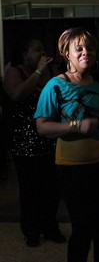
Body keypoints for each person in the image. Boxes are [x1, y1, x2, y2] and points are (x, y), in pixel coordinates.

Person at [34, 27, 99, 262]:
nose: (86, 52)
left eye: (90, 48)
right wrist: (76, 126)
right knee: (83, 229)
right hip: (73, 169)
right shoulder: (55, 85)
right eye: (79, 48)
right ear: (67, 53)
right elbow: (42, 126)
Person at [2, 36, 65, 247]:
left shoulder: (48, 70)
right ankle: (31, 230)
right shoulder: (14, 71)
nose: (42, 53)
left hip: (48, 137)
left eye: (42, 49)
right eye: (37, 50)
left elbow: (61, 93)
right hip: (23, 140)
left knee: (52, 188)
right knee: (30, 189)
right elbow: (17, 94)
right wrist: (38, 72)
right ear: (25, 53)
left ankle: (50, 226)